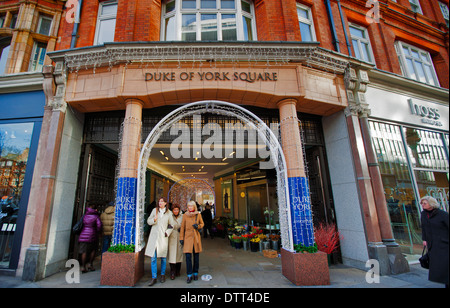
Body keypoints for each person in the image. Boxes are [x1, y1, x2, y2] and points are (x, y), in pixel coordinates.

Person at [145, 197, 176, 286]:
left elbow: (171, 224)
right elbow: (148, 221)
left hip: (163, 237)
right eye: (159, 201)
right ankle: (154, 277)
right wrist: (154, 220)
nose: (160, 203)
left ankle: (162, 275)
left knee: (163, 257)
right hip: (154, 237)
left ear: (166, 203)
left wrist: (167, 233)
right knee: (153, 258)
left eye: (162, 201)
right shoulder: (155, 210)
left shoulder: (169, 213)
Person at [420, 196, 449, 288]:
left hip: (444, 243)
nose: (422, 205)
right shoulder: (423, 214)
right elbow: (423, 227)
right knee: (438, 265)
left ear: (431, 204)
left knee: (446, 265)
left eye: (424, 203)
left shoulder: (442, 214)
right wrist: (424, 239)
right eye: (422, 203)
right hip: (433, 244)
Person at [179, 200, 204, 283]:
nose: (190, 208)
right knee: (188, 257)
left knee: (196, 257)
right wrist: (181, 238)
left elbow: (202, 224)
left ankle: (195, 273)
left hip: (196, 238)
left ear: (194, 207)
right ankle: (189, 274)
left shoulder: (198, 214)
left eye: (191, 206)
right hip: (188, 237)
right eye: (189, 206)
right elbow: (182, 227)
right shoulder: (185, 215)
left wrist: (198, 226)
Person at [78, 203, 102, 273]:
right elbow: (99, 226)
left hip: (83, 234)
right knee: (93, 250)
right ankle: (90, 264)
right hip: (92, 235)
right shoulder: (96, 216)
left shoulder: (85, 216)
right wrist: (98, 232)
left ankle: (83, 266)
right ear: (95, 209)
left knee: (84, 251)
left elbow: (81, 224)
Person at [168, 204, 183, 280]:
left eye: (177, 210)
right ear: (172, 210)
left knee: (179, 254)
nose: (176, 211)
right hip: (172, 236)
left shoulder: (182, 216)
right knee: (172, 254)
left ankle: (178, 270)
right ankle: (172, 272)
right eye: (174, 210)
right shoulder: (170, 216)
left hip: (180, 235)